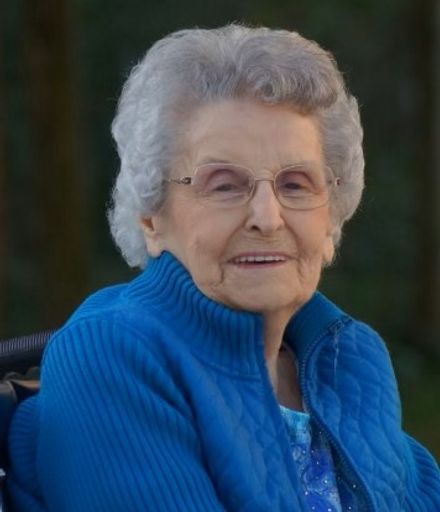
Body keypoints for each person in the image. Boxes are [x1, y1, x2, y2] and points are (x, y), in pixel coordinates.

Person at [6, 24, 440, 512]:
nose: (267, 217)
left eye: (295, 184)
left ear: (331, 216)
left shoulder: (350, 358)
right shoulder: (110, 354)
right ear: (151, 217)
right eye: (224, 185)